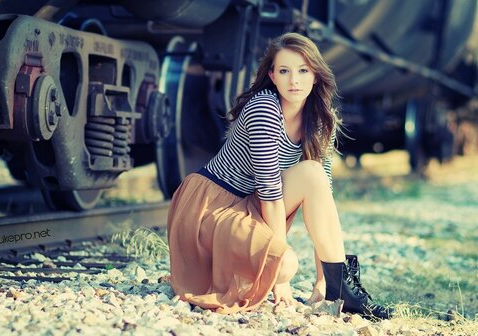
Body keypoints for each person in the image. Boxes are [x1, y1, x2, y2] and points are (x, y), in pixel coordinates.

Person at [166, 32, 391, 319]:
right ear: (272, 75)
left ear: (315, 76)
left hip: (250, 207)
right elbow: (270, 194)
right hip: (212, 207)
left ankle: (339, 290)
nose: (294, 80)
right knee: (285, 265)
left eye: (302, 71)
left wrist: (322, 281)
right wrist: (279, 281)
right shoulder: (265, 107)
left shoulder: (322, 119)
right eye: (284, 71)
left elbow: (322, 197)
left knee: (314, 174)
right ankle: (281, 274)